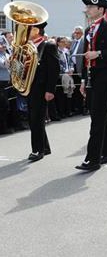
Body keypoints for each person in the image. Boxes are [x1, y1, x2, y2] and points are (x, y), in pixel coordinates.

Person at [76, 0, 107, 172]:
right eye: (88, 6)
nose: (87, 9)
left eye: (91, 6)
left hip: (104, 76)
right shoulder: (89, 29)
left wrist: (99, 53)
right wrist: (83, 80)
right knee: (100, 115)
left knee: (97, 117)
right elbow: (84, 55)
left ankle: (93, 159)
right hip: (91, 76)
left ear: (101, 9)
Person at [25, 21, 60, 161]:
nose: (26, 32)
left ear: (36, 31)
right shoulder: (28, 47)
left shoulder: (48, 46)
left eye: (29, 29)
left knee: (36, 119)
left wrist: (50, 90)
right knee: (34, 118)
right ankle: (45, 147)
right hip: (30, 87)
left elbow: (54, 70)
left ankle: (37, 150)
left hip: (41, 88)